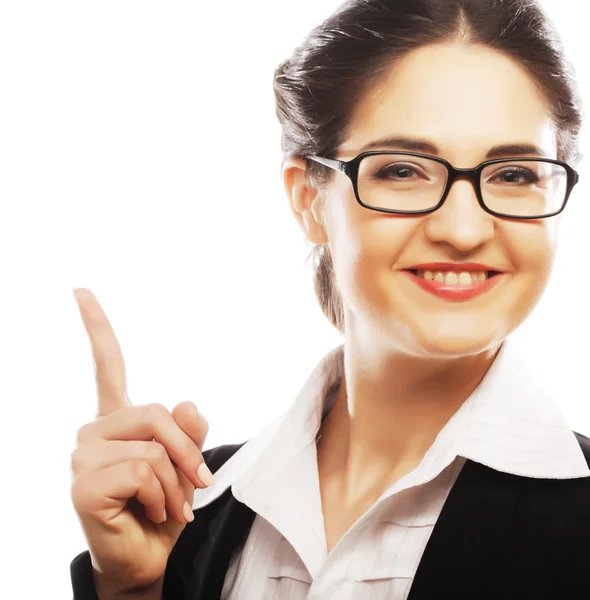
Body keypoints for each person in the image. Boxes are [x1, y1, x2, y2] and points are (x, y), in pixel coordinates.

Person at [69, 0, 590, 598]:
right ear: (308, 199)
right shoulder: (191, 512)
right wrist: (133, 589)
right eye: (402, 169)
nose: (464, 230)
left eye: (515, 174)